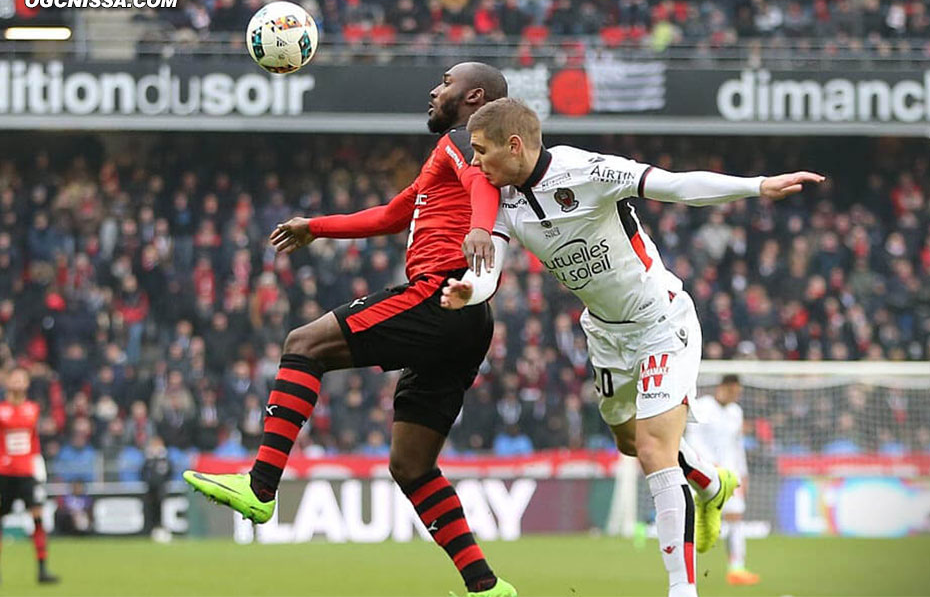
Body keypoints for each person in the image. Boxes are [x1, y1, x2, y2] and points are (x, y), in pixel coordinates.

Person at [443, 97, 825, 597]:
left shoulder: (587, 171)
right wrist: (471, 290)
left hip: (661, 321)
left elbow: (676, 184)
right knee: (628, 441)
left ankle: (681, 589)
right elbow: (488, 266)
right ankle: (711, 481)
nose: (474, 163)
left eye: (481, 151)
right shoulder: (503, 202)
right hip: (604, 332)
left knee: (652, 449)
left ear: (514, 146)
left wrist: (756, 187)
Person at [184, 62, 516, 597]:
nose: (434, 90)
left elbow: (482, 186)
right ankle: (486, 586)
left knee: (303, 344)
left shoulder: (465, 144)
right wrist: (315, 226)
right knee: (411, 466)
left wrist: (479, 229)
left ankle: (261, 486)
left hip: (439, 294)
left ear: (473, 96)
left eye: (446, 83)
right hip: (470, 318)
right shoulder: (446, 158)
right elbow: (390, 215)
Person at [687, 375, 759, 585]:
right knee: (692, 522)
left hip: (730, 475)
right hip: (704, 474)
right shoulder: (703, 407)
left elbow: (737, 446)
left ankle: (737, 568)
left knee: (736, 518)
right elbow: (692, 439)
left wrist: (743, 474)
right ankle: (686, 570)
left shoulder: (736, 412)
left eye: (738, 393)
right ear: (722, 388)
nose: (735, 396)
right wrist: (709, 464)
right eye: (733, 392)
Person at [0, 367, 59, 584]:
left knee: (37, 517)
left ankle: (42, 569)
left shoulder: (33, 409)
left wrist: (38, 464)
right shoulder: (1, 409)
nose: (17, 381)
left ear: (27, 383)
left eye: (21, 378)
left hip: (26, 472)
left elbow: (34, 440)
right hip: (3, 472)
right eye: (13, 377)